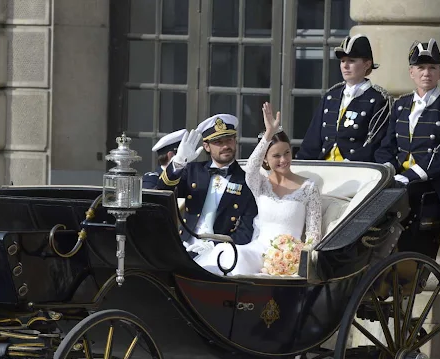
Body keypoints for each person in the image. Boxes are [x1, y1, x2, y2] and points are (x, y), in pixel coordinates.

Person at [374, 38, 440, 261]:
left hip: (434, 185)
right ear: (411, 72)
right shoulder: (400, 105)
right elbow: (387, 146)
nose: (426, 73)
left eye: (432, 68)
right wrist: (389, 170)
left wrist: (407, 177)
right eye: (420, 67)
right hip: (399, 181)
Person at [195, 103, 322, 276]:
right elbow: (251, 167)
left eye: (287, 153)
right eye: (276, 156)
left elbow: (314, 234)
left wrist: (297, 260)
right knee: (228, 255)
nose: (283, 159)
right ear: (265, 160)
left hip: (290, 259)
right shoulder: (260, 183)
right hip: (257, 251)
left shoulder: (309, 187)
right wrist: (268, 135)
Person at [157, 114, 258, 254]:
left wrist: (216, 246)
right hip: (185, 246)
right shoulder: (193, 171)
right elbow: (162, 192)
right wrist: (178, 163)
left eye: (229, 140)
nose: (225, 146)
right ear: (206, 146)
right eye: (218, 142)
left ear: (235, 141)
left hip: (221, 254)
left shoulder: (246, 180)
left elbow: (245, 233)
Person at [296, 34, 392, 162]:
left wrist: (349, 166)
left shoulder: (379, 100)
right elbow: (312, 140)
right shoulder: (331, 96)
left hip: (356, 169)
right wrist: (300, 165)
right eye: (342, 61)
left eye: (351, 61)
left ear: (367, 64)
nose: (345, 66)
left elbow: (374, 143)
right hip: (323, 167)